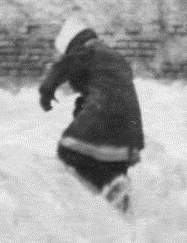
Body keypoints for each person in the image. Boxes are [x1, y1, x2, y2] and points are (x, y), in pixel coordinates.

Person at [38, 15, 145, 213]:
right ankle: (122, 205)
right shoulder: (115, 56)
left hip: (104, 115)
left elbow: (62, 67)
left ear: (72, 44)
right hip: (131, 129)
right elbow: (107, 89)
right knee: (113, 159)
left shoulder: (85, 51)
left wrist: (46, 92)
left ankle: (108, 182)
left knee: (68, 149)